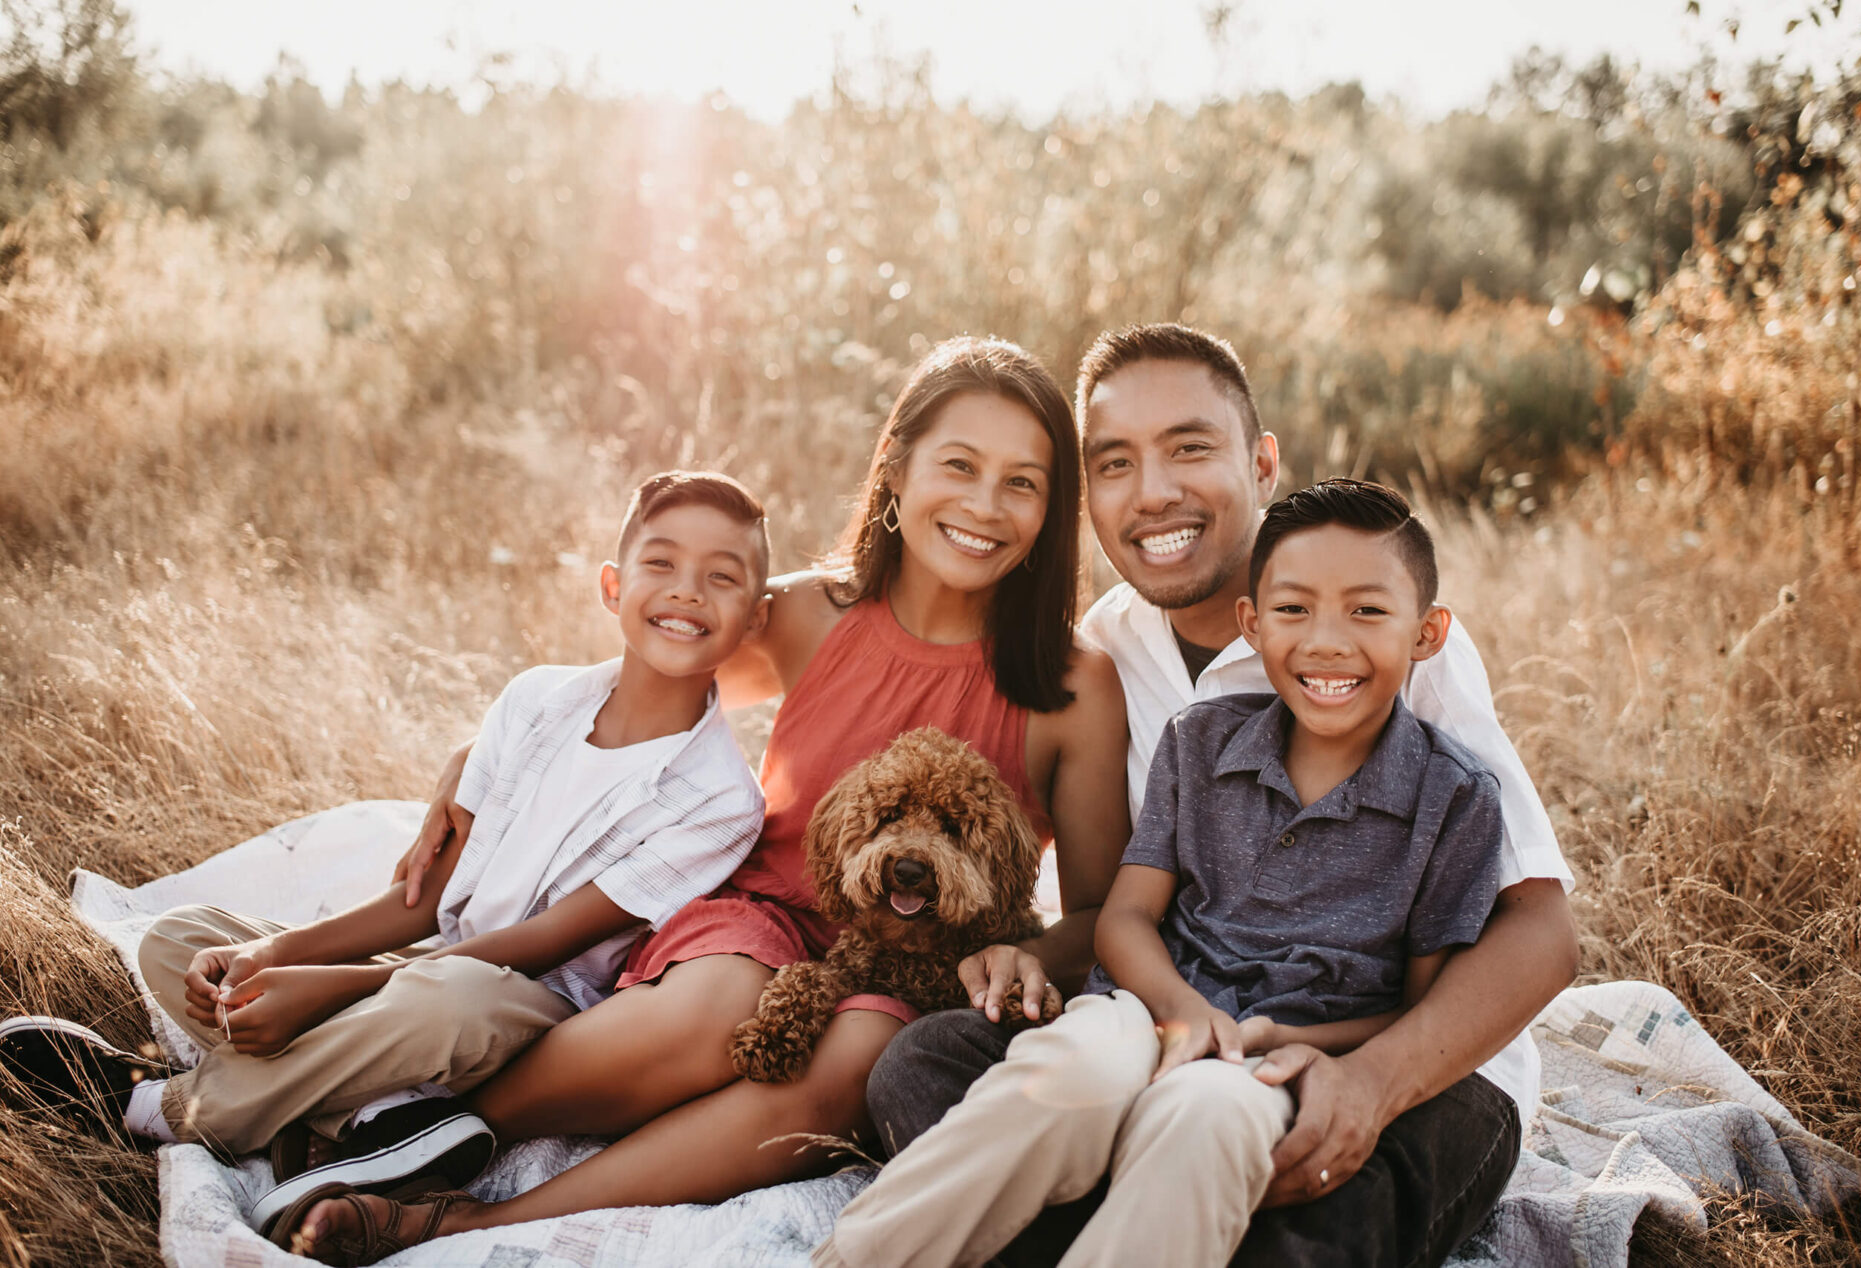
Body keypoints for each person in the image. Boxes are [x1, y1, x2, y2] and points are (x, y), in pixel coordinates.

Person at [282, 336, 1131, 1259]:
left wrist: (1029, 953)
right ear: (895, 471)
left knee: (857, 1053)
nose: (982, 505)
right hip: (753, 914)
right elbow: (653, 662)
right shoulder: (811, 614)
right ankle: (417, 1136)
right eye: (958, 466)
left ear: (1052, 512)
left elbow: (1096, 909)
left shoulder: (1071, 684)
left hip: (910, 963)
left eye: (1022, 482)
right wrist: (476, 750)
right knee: (721, 1001)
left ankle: (476, 1219)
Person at [866, 324, 1578, 1266]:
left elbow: (1543, 933)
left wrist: (1367, 1083)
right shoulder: (1105, 650)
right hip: (1176, 1029)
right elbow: (1119, 905)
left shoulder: (1387, 643)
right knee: (922, 1070)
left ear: (1261, 462)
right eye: (1115, 463)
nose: (1154, 492)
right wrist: (1034, 954)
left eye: (1190, 449)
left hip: (1401, 1066)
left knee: (1306, 1219)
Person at [0, 469, 774, 1239]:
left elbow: (548, 944)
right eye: (661, 563)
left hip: (529, 1004)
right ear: (613, 586)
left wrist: (331, 988)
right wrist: (277, 952)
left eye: (722, 577)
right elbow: (426, 896)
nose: (688, 592)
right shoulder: (536, 701)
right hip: (429, 956)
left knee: (444, 1002)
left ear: (753, 619)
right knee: (182, 941)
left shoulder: (721, 799)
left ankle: (169, 1106)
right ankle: (371, 1117)